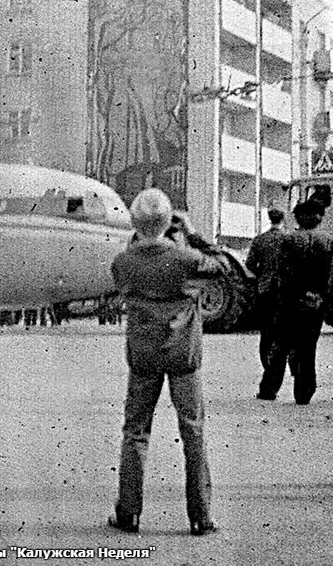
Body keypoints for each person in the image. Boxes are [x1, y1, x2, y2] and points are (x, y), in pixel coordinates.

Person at [108, 188, 223, 537]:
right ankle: (201, 516)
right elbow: (220, 267)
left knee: (135, 431)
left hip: (143, 354)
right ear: (170, 220)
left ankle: (128, 514)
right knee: (193, 430)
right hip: (183, 353)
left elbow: (126, 276)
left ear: (134, 222)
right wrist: (190, 235)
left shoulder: (122, 262)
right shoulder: (186, 259)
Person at [257, 199, 333, 405]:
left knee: (280, 347)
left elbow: (284, 276)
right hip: (315, 304)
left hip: (290, 303)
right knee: (308, 349)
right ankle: (304, 392)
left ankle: (269, 389)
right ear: (320, 218)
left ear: (298, 218)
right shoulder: (328, 241)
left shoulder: (289, 241)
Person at [246, 208, 286, 370]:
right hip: (285, 290)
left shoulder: (260, 240)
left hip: (265, 289)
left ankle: (267, 363)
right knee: (284, 328)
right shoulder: (288, 239)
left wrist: (261, 274)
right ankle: (282, 365)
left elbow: (249, 263)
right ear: (282, 220)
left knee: (267, 331)